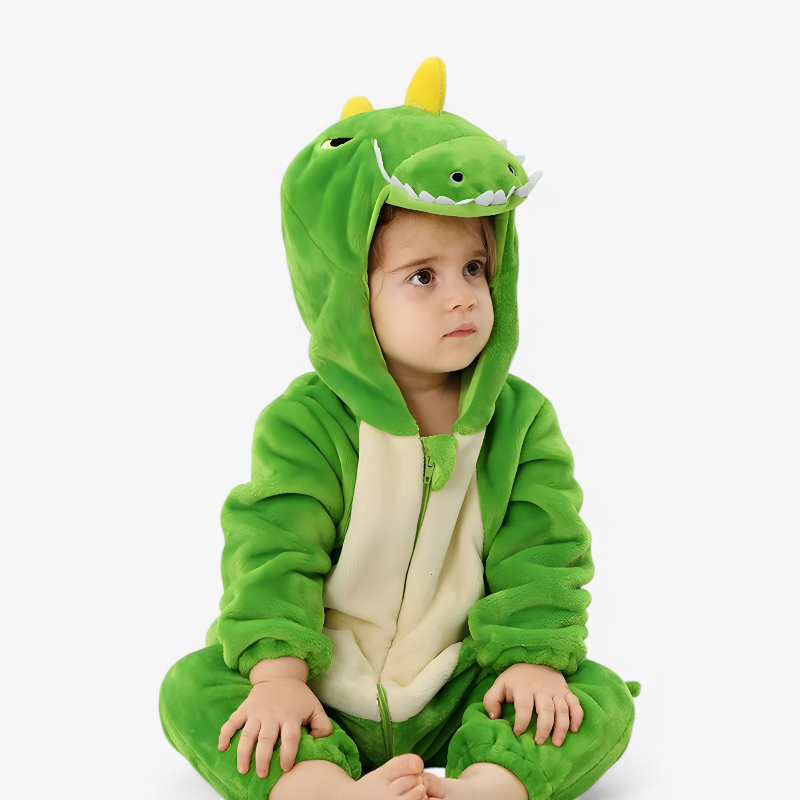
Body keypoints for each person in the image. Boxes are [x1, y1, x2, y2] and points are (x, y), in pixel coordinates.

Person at [159, 57, 639, 800]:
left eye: (474, 268)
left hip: (461, 681)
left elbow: (544, 549)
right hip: (323, 688)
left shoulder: (520, 420)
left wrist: (532, 660)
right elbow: (273, 550)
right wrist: (280, 676)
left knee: (596, 696)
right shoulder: (306, 423)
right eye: (423, 276)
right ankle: (324, 786)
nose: (462, 297)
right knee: (194, 689)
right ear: (350, 295)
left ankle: (486, 785)